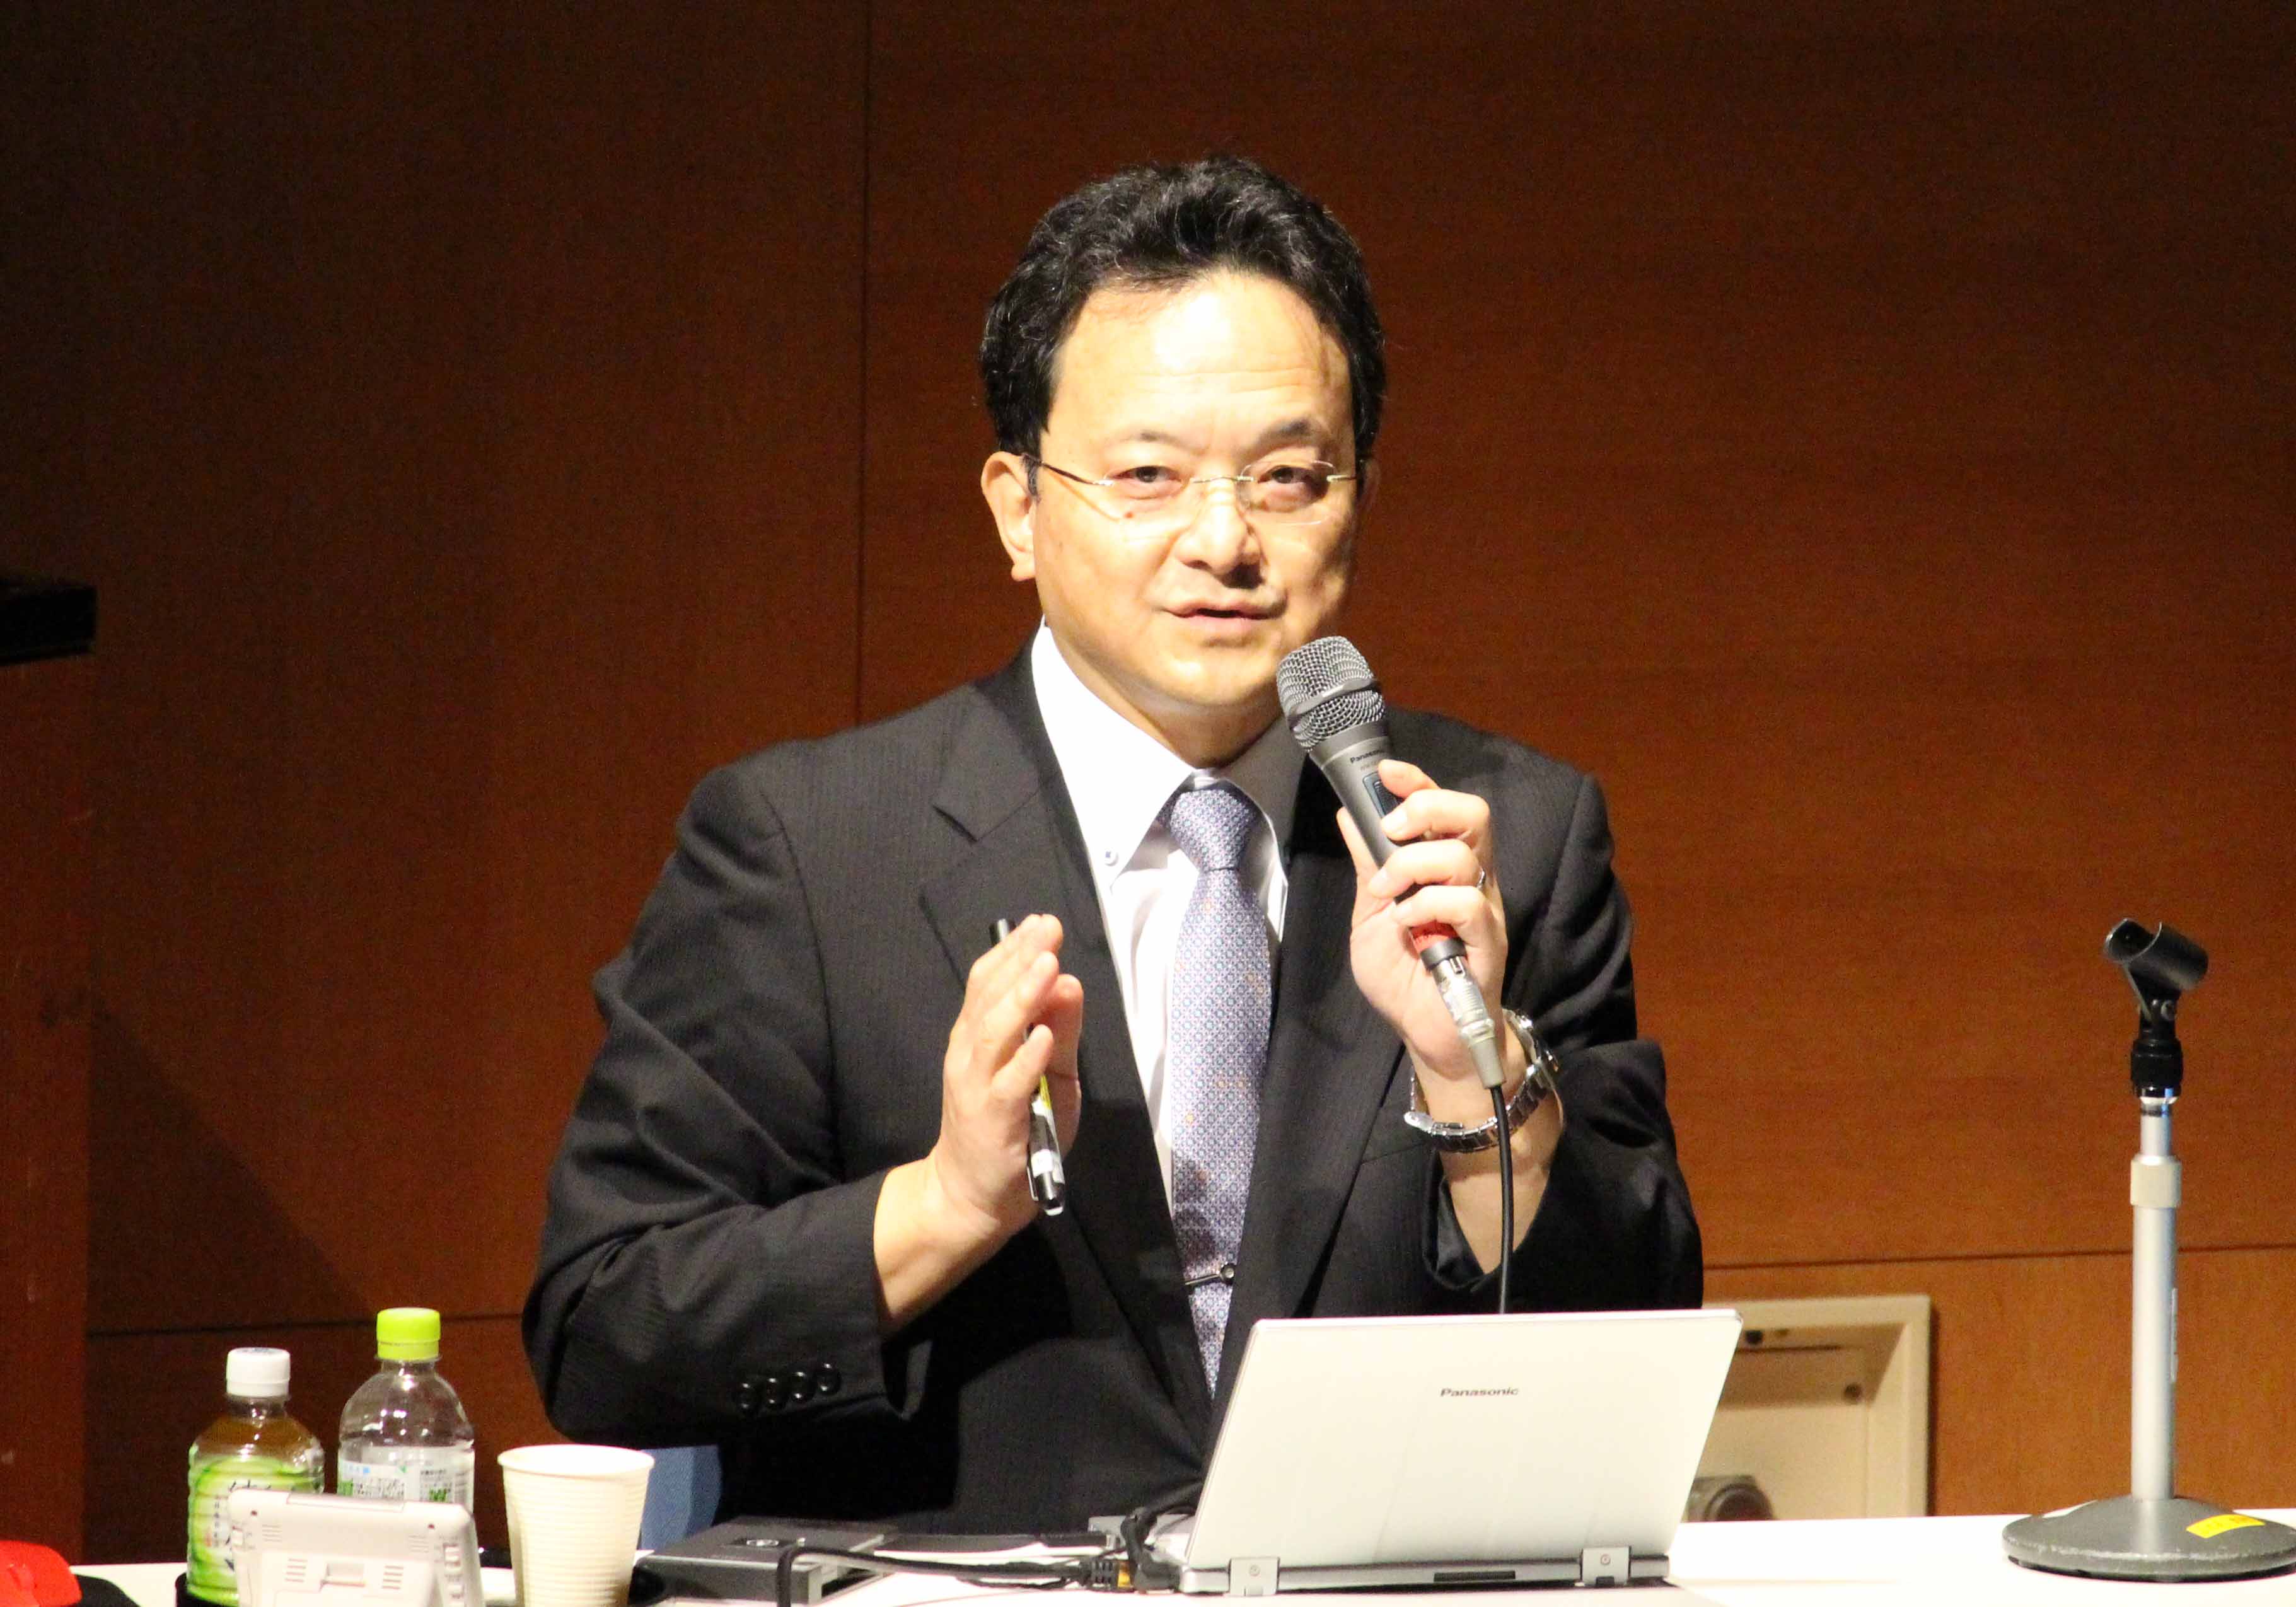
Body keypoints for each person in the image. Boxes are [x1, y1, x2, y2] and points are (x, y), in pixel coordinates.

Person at [523, 156, 1700, 1532]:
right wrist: (943, 1207)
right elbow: (604, 1332)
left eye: (1288, 477)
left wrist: (1475, 1082)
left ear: (1361, 495)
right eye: (1148, 476)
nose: (1225, 540)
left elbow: (1636, 1337)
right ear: (1017, 509)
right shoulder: (806, 851)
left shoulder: (1500, 838)